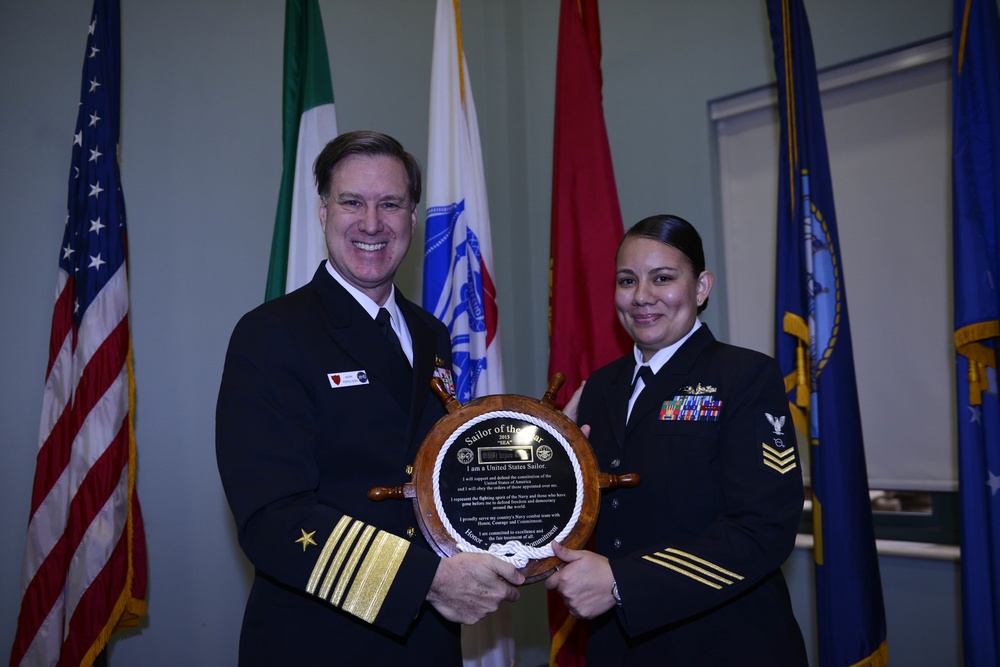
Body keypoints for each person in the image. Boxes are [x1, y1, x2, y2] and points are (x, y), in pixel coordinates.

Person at [216, 130, 523, 666]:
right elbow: (273, 517)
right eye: (352, 202)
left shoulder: (431, 334)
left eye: (391, 204)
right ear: (323, 211)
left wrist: (538, 457)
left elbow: (439, 474)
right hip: (320, 640)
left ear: (412, 217)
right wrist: (421, 581)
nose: (372, 223)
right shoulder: (272, 334)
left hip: (425, 643)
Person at [548, 214, 807, 665]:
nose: (642, 297)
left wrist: (621, 583)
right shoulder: (599, 388)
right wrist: (547, 449)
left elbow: (762, 529)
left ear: (701, 287)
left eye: (662, 278)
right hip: (619, 647)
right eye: (627, 281)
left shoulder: (744, 377)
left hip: (724, 643)